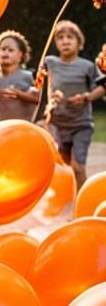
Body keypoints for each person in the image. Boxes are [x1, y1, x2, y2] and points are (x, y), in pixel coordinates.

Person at [41, 20, 104, 189]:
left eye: (70, 37)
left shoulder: (88, 66)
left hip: (80, 125)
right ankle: (68, 201)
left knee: (77, 166)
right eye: (60, 37)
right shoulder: (50, 62)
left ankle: (83, 202)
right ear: (55, 42)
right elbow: (37, 80)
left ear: (79, 42)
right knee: (64, 167)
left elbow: (102, 87)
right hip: (57, 125)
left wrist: (86, 97)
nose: (65, 41)